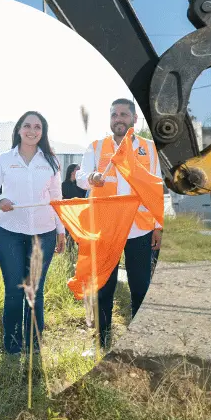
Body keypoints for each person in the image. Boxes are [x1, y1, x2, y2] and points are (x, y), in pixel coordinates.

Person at [79, 99, 163, 351]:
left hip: (140, 229)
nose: (118, 118)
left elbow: (157, 189)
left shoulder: (149, 149)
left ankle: (139, 342)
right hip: (106, 229)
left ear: (134, 119)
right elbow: (82, 177)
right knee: (104, 287)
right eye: (114, 114)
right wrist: (91, 178)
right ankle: (103, 341)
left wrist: (158, 226)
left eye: (124, 114)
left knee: (141, 287)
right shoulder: (96, 147)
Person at [0, 111, 66, 355]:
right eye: (27, 126)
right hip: (9, 232)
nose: (32, 130)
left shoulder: (51, 161)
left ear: (43, 131)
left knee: (35, 290)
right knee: (14, 290)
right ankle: (12, 345)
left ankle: (35, 344)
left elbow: (56, 199)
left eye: (37, 127)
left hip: (44, 234)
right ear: (19, 129)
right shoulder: (4, 160)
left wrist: (61, 230)